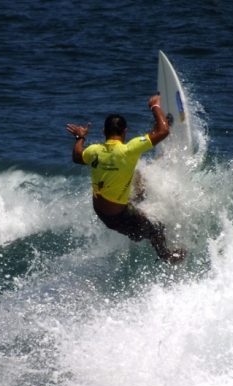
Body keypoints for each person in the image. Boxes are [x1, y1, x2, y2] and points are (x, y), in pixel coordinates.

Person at [67, 94, 185, 263]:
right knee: (158, 229)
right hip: (118, 216)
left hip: (102, 210)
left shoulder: (94, 151)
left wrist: (80, 137)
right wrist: (155, 106)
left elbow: (77, 157)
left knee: (138, 181)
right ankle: (165, 256)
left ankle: (137, 206)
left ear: (104, 132)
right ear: (125, 132)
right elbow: (163, 131)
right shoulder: (129, 150)